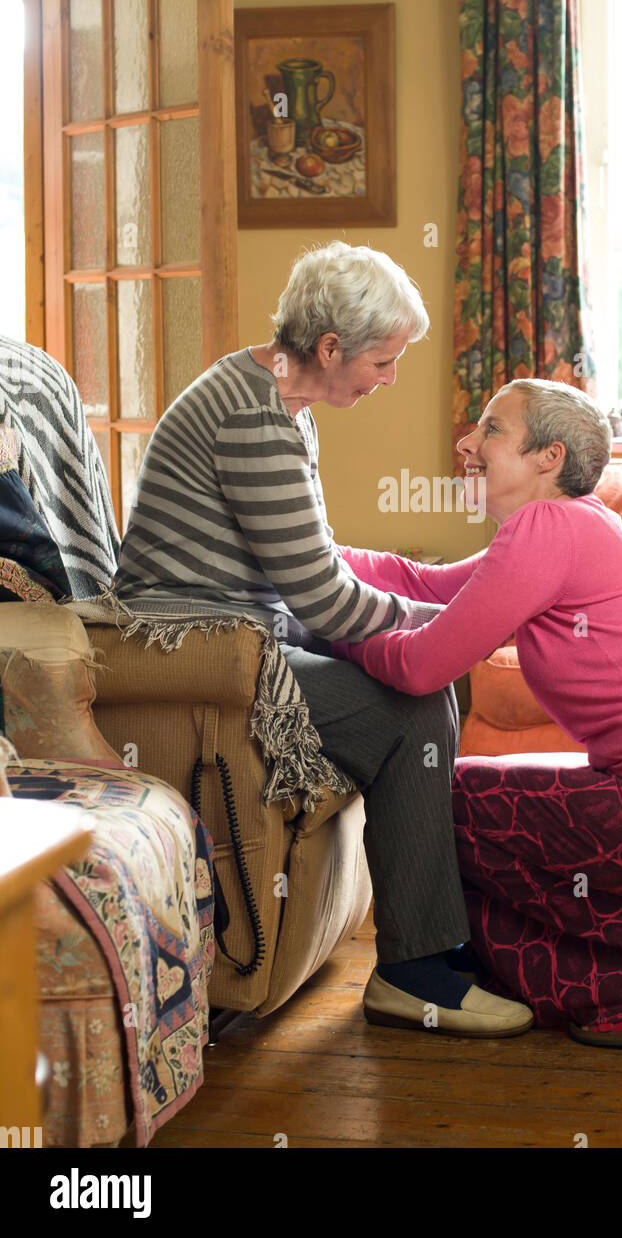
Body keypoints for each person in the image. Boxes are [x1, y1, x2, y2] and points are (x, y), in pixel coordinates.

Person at [114, 241, 533, 1039]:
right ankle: (416, 972)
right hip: (196, 654)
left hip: (250, 637)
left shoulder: (280, 401)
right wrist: (446, 630)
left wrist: (421, 619)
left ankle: (429, 953)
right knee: (410, 709)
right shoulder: (254, 415)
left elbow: (309, 570)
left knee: (420, 688)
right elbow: (321, 595)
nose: (390, 377)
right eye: (383, 358)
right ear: (330, 348)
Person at [331, 378, 622, 1047]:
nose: (466, 442)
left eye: (490, 429)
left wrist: (336, 634)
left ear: (547, 456)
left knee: (442, 798)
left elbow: (422, 666)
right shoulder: (573, 527)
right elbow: (419, 584)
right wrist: (311, 556)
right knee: (475, 785)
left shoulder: (547, 530)